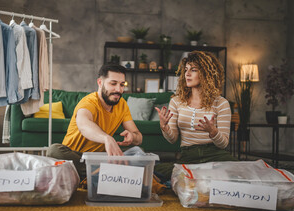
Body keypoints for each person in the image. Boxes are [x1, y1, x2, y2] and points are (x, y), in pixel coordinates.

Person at [46, 64, 143, 179]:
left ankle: (97, 174)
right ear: (100, 83)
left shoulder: (122, 105)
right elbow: (83, 125)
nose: (118, 89)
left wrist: (132, 136)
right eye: (113, 84)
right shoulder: (89, 102)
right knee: (54, 151)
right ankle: (105, 174)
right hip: (76, 157)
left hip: (100, 159)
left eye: (122, 85)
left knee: (138, 152)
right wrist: (107, 138)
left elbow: (139, 138)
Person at [154, 51, 237, 181]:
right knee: (156, 172)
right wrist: (164, 127)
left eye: (193, 70)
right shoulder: (176, 101)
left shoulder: (221, 103)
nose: (187, 74)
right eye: (186, 70)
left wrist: (213, 131)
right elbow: (172, 139)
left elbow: (223, 144)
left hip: (215, 155)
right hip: (189, 156)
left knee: (241, 172)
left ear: (206, 73)